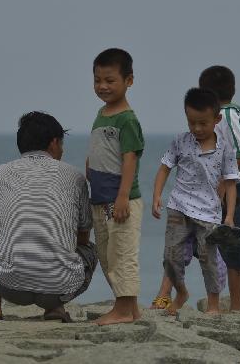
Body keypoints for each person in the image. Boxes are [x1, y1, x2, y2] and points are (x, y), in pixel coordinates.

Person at [0, 111, 97, 323]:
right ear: (53, 143)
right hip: (61, 288)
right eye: (62, 144)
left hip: (8, 285)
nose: (62, 149)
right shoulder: (75, 176)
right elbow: (82, 238)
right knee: (87, 248)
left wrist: (2, 216)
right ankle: (56, 309)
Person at [152, 88, 239, 315]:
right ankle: (181, 292)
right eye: (192, 123)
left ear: (217, 119)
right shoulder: (180, 141)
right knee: (170, 258)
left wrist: (228, 216)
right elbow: (164, 169)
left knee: (208, 261)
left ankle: (213, 304)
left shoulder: (225, 149)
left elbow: (230, 184)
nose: (197, 129)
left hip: (209, 213)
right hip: (178, 207)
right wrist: (157, 196)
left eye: (203, 123)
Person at [86, 48, 145, 325]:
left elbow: (129, 158)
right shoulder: (102, 113)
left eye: (110, 80)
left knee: (122, 254)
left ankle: (122, 311)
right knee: (107, 255)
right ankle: (130, 308)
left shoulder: (127, 119)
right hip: (100, 198)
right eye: (98, 80)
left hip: (120, 199)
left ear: (129, 80)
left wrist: (122, 197)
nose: (102, 86)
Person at [201, 65, 240, 312]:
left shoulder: (229, 116)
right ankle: (216, 302)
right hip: (213, 192)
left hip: (235, 192)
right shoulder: (212, 119)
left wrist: (223, 183)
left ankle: (235, 307)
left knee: (235, 248)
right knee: (208, 246)